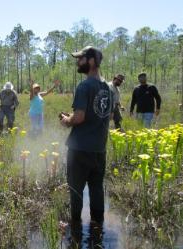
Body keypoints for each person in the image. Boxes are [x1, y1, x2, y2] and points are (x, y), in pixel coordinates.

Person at [60, 46, 113, 238]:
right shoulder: (107, 88)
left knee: (76, 191)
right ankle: (97, 231)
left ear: (90, 61)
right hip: (99, 149)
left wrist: (67, 120)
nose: (77, 62)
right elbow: (104, 114)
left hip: (79, 149)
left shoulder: (84, 86)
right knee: (97, 190)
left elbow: (80, 117)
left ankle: (75, 231)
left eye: (80, 59)